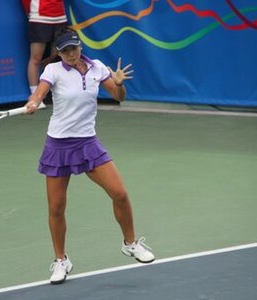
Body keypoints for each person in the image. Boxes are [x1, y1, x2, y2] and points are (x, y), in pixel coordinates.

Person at [24, 28, 155, 285]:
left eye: (74, 48)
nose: (71, 54)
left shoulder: (97, 68)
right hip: (59, 145)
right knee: (56, 207)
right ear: (59, 53)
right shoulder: (53, 71)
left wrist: (119, 84)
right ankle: (61, 260)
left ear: (80, 46)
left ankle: (130, 243)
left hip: (87, 142)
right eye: (65, 51)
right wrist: (33, 102)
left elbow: (119, 97)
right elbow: (39, 93)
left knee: (120, 193)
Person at [21, 0, 68, 108]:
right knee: (36, 59)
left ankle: (54, 94)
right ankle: (35, 97)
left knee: (55, 60)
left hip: (60, 17)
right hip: (39, 18)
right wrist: (31, 12)